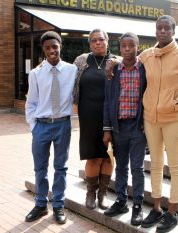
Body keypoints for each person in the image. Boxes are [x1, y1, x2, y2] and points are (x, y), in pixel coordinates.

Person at [105, 15, 178, 232]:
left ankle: (171, 212)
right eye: (159, 28)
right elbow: (129, 60)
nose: (163, 31)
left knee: (175, 166)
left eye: (167, 28)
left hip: (175, 119)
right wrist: (114, 61)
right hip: (150, 119)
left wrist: (177, 104)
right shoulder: (148, 55)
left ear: (173, 31)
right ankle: (157, 208)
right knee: (156, 165)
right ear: (155, 31)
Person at [25, 31, 77, 224]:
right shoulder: (36, 73)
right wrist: (33, 126)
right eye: (48, 48)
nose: (52, 50)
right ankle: (40, 205)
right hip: (42, 126)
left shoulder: (72, 70)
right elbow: (31, 102)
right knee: (40, 168)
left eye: (55, 46)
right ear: (44, 50)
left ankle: (58, 205)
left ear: (60, 46)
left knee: (61, 167)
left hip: (63, 124)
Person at [102, 32, 147, 226]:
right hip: (118, 126)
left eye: (131, 45)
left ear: (138, 47)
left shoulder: (145, 69)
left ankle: (137, 204)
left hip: (138, 126)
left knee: (137, 167)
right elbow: (108, 101)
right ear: (119, 48)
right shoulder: (113, 71)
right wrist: (107, 128)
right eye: (123, 46)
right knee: (121, 166)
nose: (127, 49)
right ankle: (121, 201)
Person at [73, 29, 117, 210]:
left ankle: (103, 193)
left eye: (101, 39)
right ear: (89, 43)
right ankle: (90, 192)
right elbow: (69, 82)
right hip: (89, 117)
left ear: (107, 41)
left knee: (107, 157)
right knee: (92, 157)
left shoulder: (117, 62)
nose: (97, 43)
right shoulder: (81, 61)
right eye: (93, 40)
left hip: (112, 117)